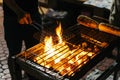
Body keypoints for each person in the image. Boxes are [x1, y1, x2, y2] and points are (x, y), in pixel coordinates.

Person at [3, 0, 42, 80]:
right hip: (12, 19)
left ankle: (31, 76)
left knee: (33, 53)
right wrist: (19, 12)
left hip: (33, 15)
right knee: (14, 54)